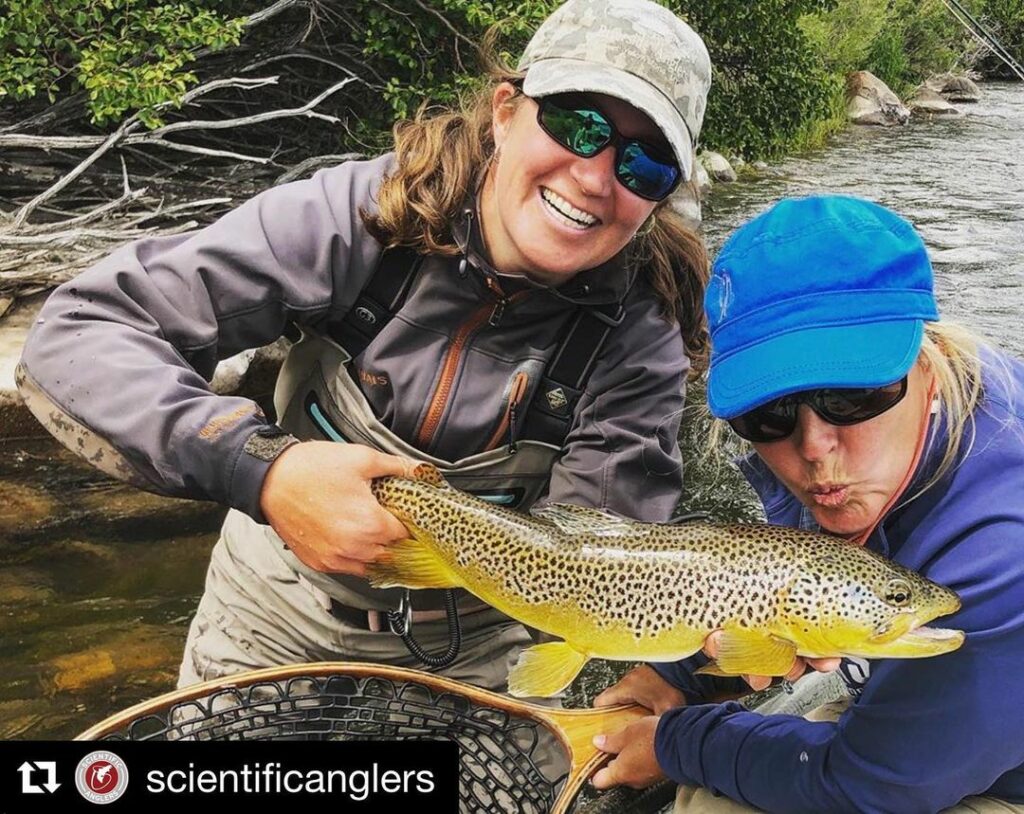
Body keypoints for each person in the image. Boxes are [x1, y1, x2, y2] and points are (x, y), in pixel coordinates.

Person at [16, 0, 713, 695]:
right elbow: (81, 332)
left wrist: (714, 659)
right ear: (505, 112)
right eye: (576, 122)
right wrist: (267, 472)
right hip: (273, 610)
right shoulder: (362, 217)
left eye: (644, 167)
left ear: (659, 198)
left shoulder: (643, 338)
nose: (595, 176)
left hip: (476, 651)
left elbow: (596, 568)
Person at [590, 195, 1024, 812]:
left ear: (930, 363)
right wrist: (678, 672)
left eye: (852, 395)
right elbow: (777, 584)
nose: (814, 447)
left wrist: (674, 743)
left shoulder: (1004, 552)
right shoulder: (902, 433)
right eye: (769, 413)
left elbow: (875, 787)